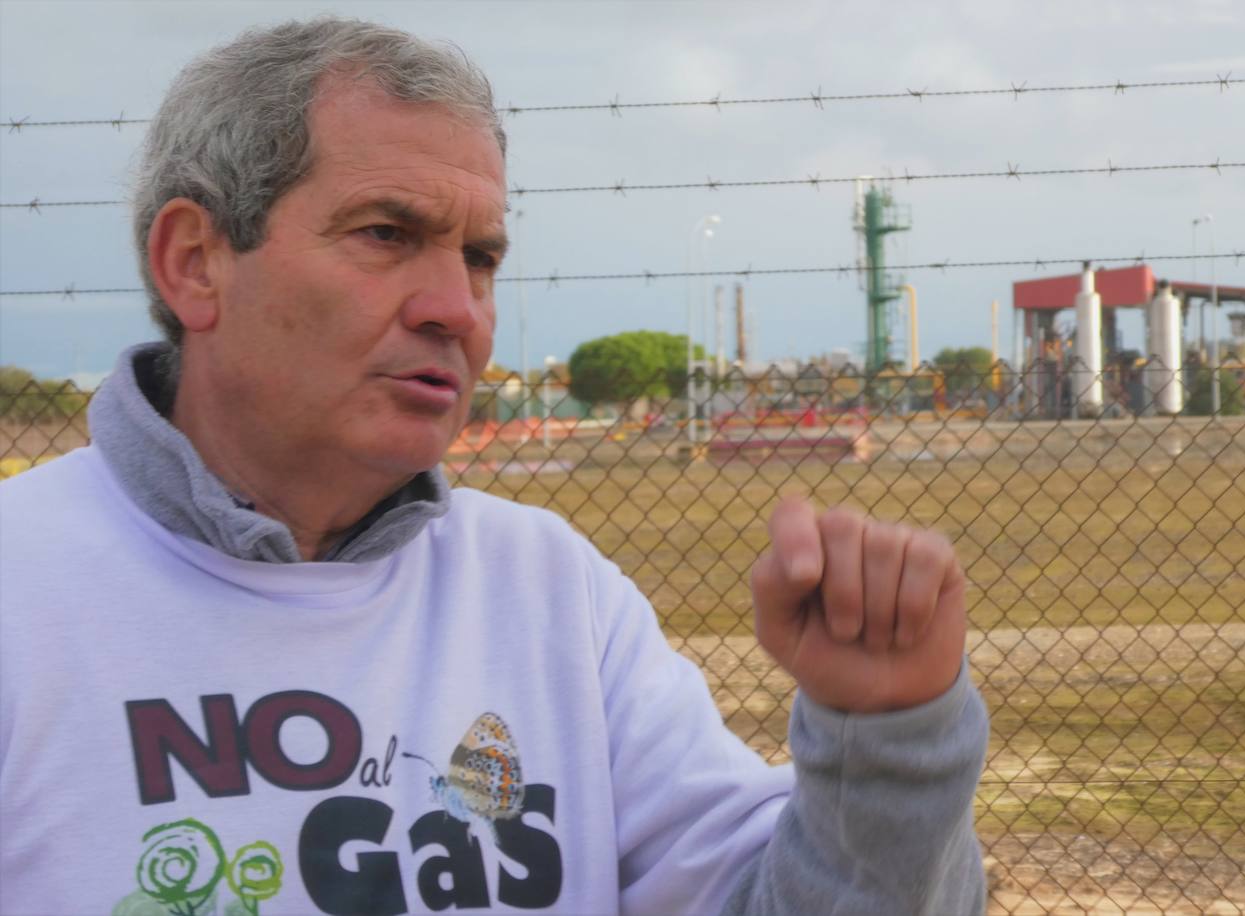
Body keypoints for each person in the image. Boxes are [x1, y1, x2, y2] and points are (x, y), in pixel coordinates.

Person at [0, 18, 988, 915]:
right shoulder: (26, 590)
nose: (456, 309)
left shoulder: (552, 591)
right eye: (387, 234)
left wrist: (891, 738)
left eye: (479, 256)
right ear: (194, 262)